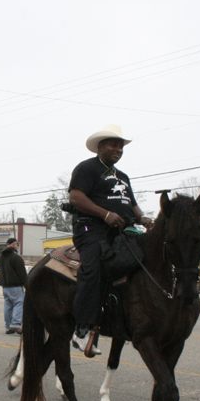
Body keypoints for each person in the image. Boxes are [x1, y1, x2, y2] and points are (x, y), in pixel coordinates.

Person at [69, 125, 153, 357]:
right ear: (100, 147)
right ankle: (82, 328)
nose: (118, 149)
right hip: (90, 229)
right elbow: (76, 196)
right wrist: (105, 214)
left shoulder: (123, 176)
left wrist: (142, 218)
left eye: (120, 146)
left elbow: (132, 204)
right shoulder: (87, 168)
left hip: (121, 232)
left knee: (142, 261)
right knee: (94, 267)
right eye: (113, 144)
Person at [0, 238, 27, 334]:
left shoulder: (1, 258)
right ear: (13, 244)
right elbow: (22, 273)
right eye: (16, 244)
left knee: (8, 305)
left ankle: (8, 326)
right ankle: (16, 324)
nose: (17, 245)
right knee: (19, 303)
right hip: (16, 286)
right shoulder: (16, 258)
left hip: (5, 286)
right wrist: (27, 285)